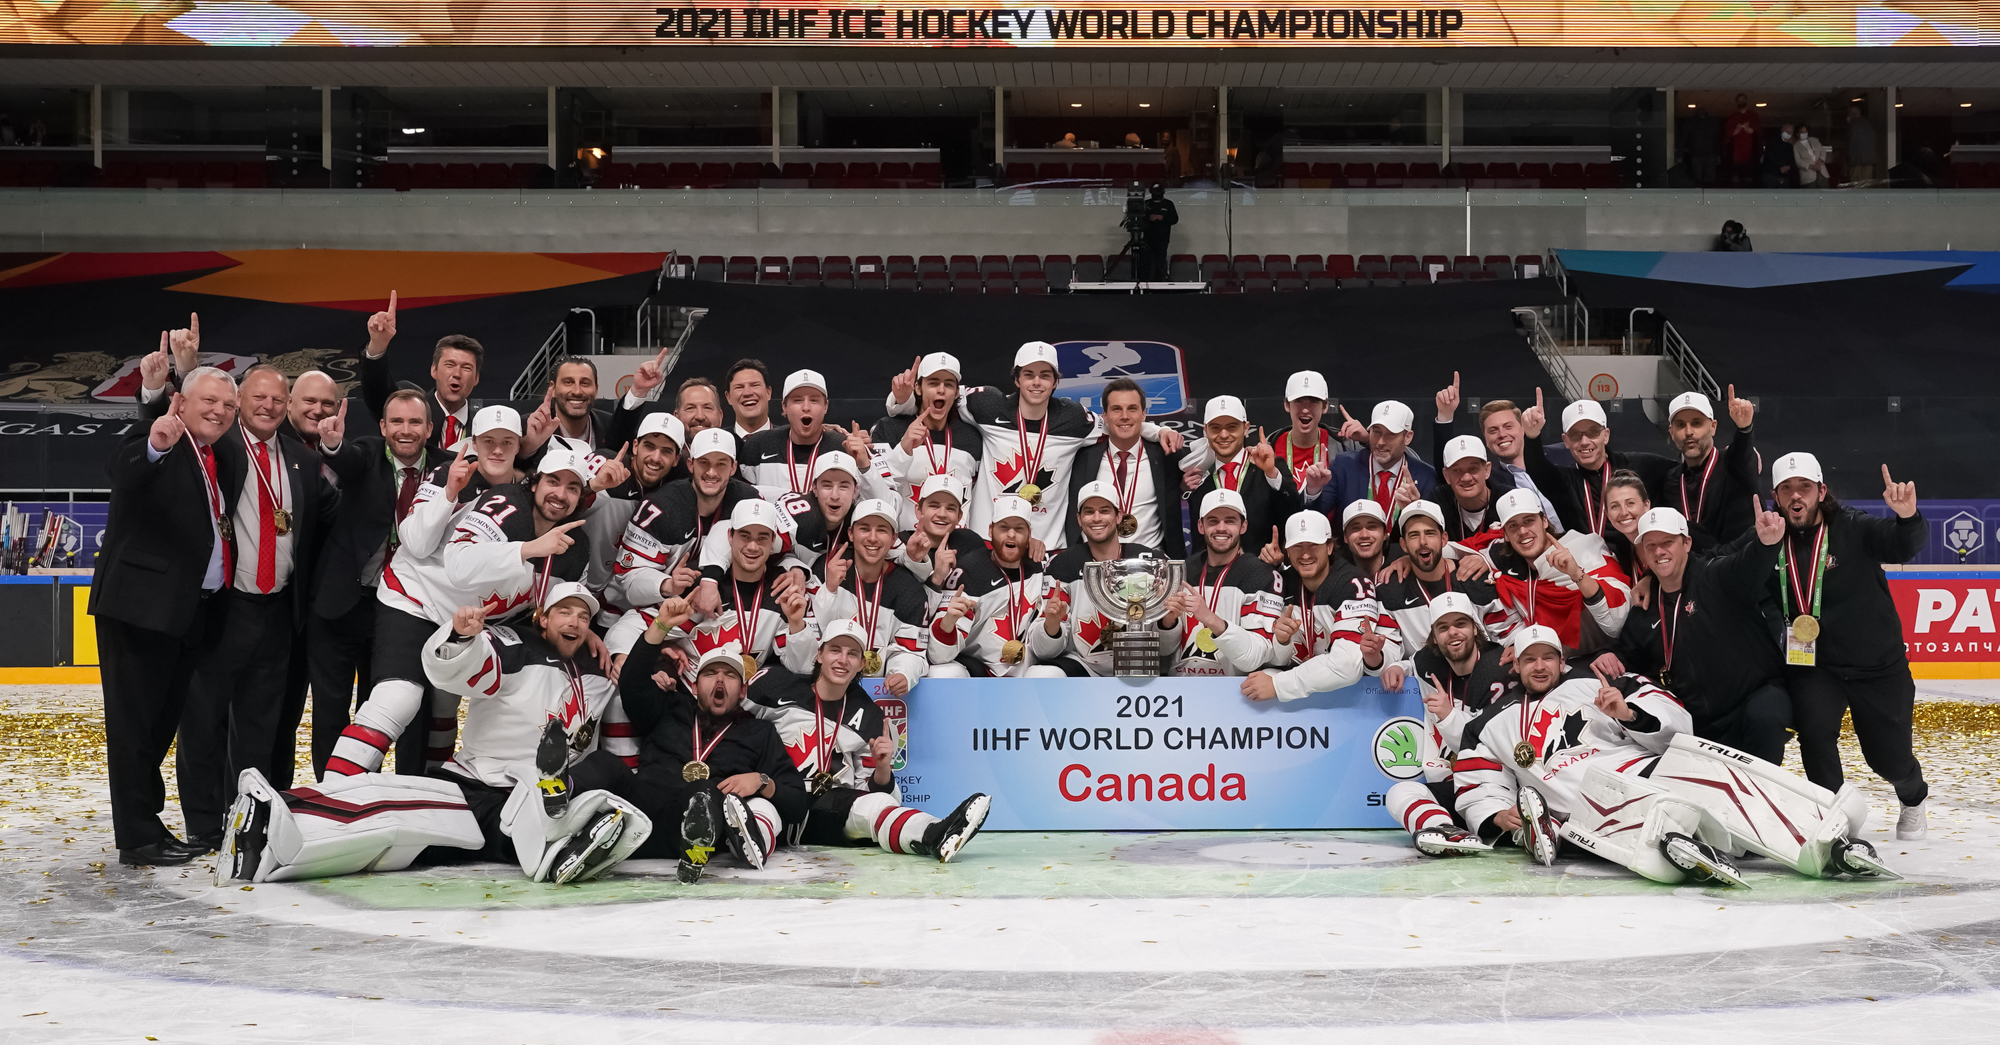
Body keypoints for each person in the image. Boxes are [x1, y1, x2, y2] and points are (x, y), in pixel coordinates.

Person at [219, 584, 651, 886]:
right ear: (543, 617)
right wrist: (463, 637)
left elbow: (615, 750)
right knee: (390, 808)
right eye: (564, 611)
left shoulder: (600, 673)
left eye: (583, 615)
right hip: (474, 785)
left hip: (529, 797)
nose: (574, 621)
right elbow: (467, 667)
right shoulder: (515, 645)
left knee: (402, 847)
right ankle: (275, 818)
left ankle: (282, 851)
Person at [322, 443, 599, 777]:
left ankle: (431, 792)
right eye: (553, 481)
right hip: (419, 600)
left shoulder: (577, 544)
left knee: (445, 706)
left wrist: (588, 630)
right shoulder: (507, 503)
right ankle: (332, 792)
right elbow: (459, 564)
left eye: (572, 488)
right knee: (399, 698)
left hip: (470, 623)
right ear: (536, 482)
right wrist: (527, 549)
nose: (561, 494)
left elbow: (561, 602)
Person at [174, 364, 338, 851]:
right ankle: (202, 823)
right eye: (257, 397)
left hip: (277, 612)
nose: (267, 406)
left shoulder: (300, 462)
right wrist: (175, 378)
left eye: (277, 399)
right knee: (203, 721)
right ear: (239, 400)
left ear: (286, 406)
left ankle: (247, 818)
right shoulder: (219, 446)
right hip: (223, 606)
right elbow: (176, 427)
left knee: (259, 727)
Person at [95, 358, 240, 866]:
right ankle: (137, 837)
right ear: (182, 402)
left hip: (185, 612)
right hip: (140, 607)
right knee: (135, 725)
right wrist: (156, 439)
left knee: (157, 726)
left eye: (228, 405)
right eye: (209, 402)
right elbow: (123, 468)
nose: (219, 411)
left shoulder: (209, 456)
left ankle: (147, 824)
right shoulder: (162, 438)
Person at [571, 610, 803, 882]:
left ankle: (695, 851)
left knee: (704, 790)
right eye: (710, 674)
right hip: (638, 815)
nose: (719, 680)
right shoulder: (669, 705)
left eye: (729, 675)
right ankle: (556, 794)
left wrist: (762, 781)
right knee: (605, 763)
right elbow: (632, 683)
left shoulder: (759, 731)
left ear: (742, 691)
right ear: (694, 686)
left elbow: (797, 803)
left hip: (693, 826)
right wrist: (660, 627)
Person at [1769, 452, 1930, 840]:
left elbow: (1898, 545)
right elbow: (1720, 564)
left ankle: (1913, 798)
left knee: (1888, 759)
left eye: (1804, 487)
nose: (1796, 496)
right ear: (1776, 497)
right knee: (1815, 734)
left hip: (1877, 665)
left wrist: (1907, 518)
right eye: (1786, 489)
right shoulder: (1769, 536)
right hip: (1815, 666)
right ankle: (1834, 817)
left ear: (1821, 491)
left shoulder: (1854, 527)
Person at [887, 340, 1182, 548]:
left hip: (1050, 547)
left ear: (1056, 382)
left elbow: (1119, 421)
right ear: (1016, 379)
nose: (1036, 382)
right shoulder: (986, 405)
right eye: (1028, 374)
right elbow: (938, 395)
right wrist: (900, 401)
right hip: (988, 542)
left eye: (1045, 375)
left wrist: (1156, 430)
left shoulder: (1075, 418)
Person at [750, 621, 991, 862]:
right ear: (819, 654)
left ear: (862, 664)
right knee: (758, 808)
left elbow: (870, 792)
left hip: (826, 810)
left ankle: (933, 834)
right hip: (775, 794)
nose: (843, 660)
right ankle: (749, 838)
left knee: (879, 804)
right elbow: (736, 731)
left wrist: (883, 768)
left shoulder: (870, 716)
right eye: (835, 650)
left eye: (852, 654)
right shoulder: (775, 688)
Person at [1598, 506, 1791, 765]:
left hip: (1753, 699)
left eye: (1668, 542)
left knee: (1765, 718)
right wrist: (1610, 656)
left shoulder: (1717, 575)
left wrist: (1767, 544)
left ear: (1687, 543)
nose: (1659, 551)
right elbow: (1629, 655)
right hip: (1697, 720)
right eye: (1650, 545)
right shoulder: (1645, 608)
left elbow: (1748, 564)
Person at [306, 387, 434, 775]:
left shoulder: (448, 467)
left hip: (406, 611)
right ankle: (334, 796)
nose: (405, 430)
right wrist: (331, 444)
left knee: (397, 708)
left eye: (415, 422)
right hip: (342, 602)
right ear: (382, 426)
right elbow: (346, 458)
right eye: (396, 421)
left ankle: (408, 795)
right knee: (332, 708)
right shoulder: (366, 453)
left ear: (429, 429)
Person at [1377, 592, 1511, 856]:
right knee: (1399, 793)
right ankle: (1446, 830)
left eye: (1460, 624)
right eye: (1443, 627)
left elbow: (1488, 745)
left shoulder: (1500, 667)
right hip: (1459, 783)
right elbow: (1412, 662)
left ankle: (1495, 826)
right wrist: (1398, 667)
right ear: (1434, 637)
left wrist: (1449, 717)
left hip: (1496, 784)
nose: (1453, 633)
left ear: (1475, 628)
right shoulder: (1428, 662)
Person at [634, 497, 815, 680]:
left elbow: (801, 667)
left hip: (744, 697)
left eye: (762, 538)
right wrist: (638, 651)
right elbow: (636, 625)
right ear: (730, 536)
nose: (752, 547)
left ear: (773, 540)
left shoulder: (783, 589)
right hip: (690, 693)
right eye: (745, 536)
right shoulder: (698, 584)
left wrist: (796, 625)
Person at [606, 428, 769, 627]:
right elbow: (627, 578)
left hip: (716, 608)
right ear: (690, 464)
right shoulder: (660, 507)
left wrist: (793, 567)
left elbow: (774, 543)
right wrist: (668, 584)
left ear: (733, 467)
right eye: (704, 463)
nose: (711, 472)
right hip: (646, 610)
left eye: (721, 464)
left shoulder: (748, 500)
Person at [1239, 510, 1395, 702]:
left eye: (1313, 545)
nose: (1305, 554)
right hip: (1304, 687)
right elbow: (1271, 657)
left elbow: (1346, 667)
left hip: (1350, 697)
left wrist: (1278, 685)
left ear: (1329, 547)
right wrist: (1281, 642)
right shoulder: (1280, 582)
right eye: (1297, 546)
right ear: (1288, 551)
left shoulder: (1353, 583)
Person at [928, 496, 1065, 678]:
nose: (1011, 534)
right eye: (1003, 527)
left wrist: (1051, 625)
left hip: (1026, 668)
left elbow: (1046, 652)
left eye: (1019, 529)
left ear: (1029, 535)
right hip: (979, 669)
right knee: (943, 673)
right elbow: (938, 655)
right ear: (990, 530)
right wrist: (948, 623)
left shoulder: (1040, 567)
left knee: (1050, 674)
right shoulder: (970, 571)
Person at [1036, 481, 1163, 677]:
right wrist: (1051, 625)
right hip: (1084, 664)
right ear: (1079, 519)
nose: (1096, 518)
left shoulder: (1147, 560)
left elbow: (1167, 647)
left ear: (1119, 516)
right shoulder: (1063, 564)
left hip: (1138, 661)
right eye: (1089, 512)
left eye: (1104, 511)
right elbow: (1044, 651)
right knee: (1041, 675)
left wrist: (1168, 619)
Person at [1485, 488, 1632, 654]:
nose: (1523, 531)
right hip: (1549, 663)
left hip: (1608, 658)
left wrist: (1577, 574)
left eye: (1529, 521)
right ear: (1505, 535)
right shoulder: (1510, 570)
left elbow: (1617, 623)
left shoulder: (1585, 547)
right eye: (1513, 526)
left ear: (1545, 521)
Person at [809, 499, 928, 694]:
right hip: (825, 683)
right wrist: (829, 591)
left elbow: (910, 650)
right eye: (864, 528)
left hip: (878, 687)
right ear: (851, 534)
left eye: (881, 530)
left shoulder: (908, 588)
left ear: (893, 537)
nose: (872, 538)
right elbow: (812, 635)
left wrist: (903, 673)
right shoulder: (825, 569)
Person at [1163, 489, 1281, 676]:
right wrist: (1167, 623)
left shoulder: (1260, 574)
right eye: (1213, 521)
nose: (1221, 528)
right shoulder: (1180, 571)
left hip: (1233, 692)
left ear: (1243, 526)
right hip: (1180, 687)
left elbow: (1256, 656)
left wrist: (1210, 618)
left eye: (1230, 520)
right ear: (1201, 526)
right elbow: (1163, 650)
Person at [1521, 395, 1676, 537]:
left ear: (1606, 435)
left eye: (1593, 432)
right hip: (1587, 564)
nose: (1584, 441)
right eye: (1575, 435)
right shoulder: (1564, 482)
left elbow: (1684, 474)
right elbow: (1537, 468)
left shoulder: (1641, 465)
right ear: (1566, 441)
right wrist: (1532, 436)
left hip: (1634, 562)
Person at [1067, 377, 1187, 558]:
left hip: (1151, 567)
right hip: (1094, 566)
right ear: (1105, 416)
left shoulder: (1167, 455)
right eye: (1116, 409)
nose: (1125, 416)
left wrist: (1246, 451)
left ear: (1144, 414)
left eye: (1132, 408)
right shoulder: (1081, 457)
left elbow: (1212, 453)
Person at [358, 293, 483, 453]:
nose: (457, 373)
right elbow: (376, 390)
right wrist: (378, 344)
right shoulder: (410, 404)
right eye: (449, 365)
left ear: (477, 378)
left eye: (466, 368)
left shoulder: (484, 424)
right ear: (434, 370)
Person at [1374, 500, 1509, 645]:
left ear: (1444, 539)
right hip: (1421, 666)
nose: (1423, 541)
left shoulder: (1474, 577)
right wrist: (1378, 660)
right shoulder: (1390, 590)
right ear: (1403, 545)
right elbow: (1389, 648)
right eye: (1414, 535)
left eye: (1430, 533)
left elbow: (1504, 637)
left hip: (1478, 664)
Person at [872, 353, 981, 532]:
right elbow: (875, 488)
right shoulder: (889, 429)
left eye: (948, 384)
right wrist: (904, 448)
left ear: (956, 393)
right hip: (904, 543)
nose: (941, 389)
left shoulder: (971, 436)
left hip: (955, 546)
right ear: (918, 388)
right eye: (933, 382)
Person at [1183, 395, 1297, 557]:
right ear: (1205, 431)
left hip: (1263, 571)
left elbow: (1293, 510)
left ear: (1246, 428)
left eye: (1232, 427)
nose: (1223, 435)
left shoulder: (1269, 466)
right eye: (1215, 428)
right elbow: (1199, 543)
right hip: (1218, 578)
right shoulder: (1199, 480)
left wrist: (1271, 473)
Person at [1664, 387, 1760, 551]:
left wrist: (1744, 429)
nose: (1688, 432)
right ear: (1672, 432)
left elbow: (1743, 453)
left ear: (1713, 427)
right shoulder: (1670, 481)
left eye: (1696, 423)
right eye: (1680, 425)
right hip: (1695, 571)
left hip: (1737, 568)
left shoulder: (1734, 464)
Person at [1306, 400, 1431, 521]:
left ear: (1407, 437)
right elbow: (1313, 518)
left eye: (1391, 434)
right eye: (1376, 432)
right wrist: (1313, 491)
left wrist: (1416, 510)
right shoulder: (1344, 466)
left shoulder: (1426, 476)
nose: (1381, 442)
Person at [740, 369, 854, 500]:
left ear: (825, 406)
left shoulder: (843, 446)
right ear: (784, 407)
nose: (806, 407)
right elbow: (742, 499)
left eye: (814, 400)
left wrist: (864, 465)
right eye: (797, 400)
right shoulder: (758, 445)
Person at [518, 356, 612, 461]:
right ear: (553, 388)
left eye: (585, 383)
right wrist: (528, 447)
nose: (577, 391)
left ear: (596, 390)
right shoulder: (527, 427)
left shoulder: (611, 425)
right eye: (568, 382)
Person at [724, 358, 779, 438]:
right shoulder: (719, 443)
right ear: (728, 397)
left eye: (755, 385)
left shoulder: (789, 440)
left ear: (768, 392)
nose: (747, 393)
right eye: (739, 387)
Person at [1138, 183, 1178, 281]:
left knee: (1160, 262)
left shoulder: (1168, 204)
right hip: (1147, 239)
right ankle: (1144, 283)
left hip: (1162, 239)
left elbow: (1174, 219)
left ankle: (1159, 284)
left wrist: (1163, 218)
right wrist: (1148, 218)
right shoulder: (1146, 204)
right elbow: (1138, 219)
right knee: (1146, 262)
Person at [1723, 94, 1761, 187]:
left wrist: (1743, 127)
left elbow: (1755, 132)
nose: (1741, 102)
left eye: (1743, 100)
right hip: (1735, 154)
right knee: (1735, 180)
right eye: (1739, 101)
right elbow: (1730, 133)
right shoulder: (1732, 117)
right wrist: (1740, 127)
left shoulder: (1753, 115)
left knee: (1748, 179)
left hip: (1750, 154)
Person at [1847, 104, 1878, 185]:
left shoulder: (1853, 125)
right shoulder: (1869, 124)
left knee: (1856, 183)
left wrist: (1850, 159)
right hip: (1869, 159)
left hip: (1857, 160)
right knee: (1866, 183)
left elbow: (1851, 143)